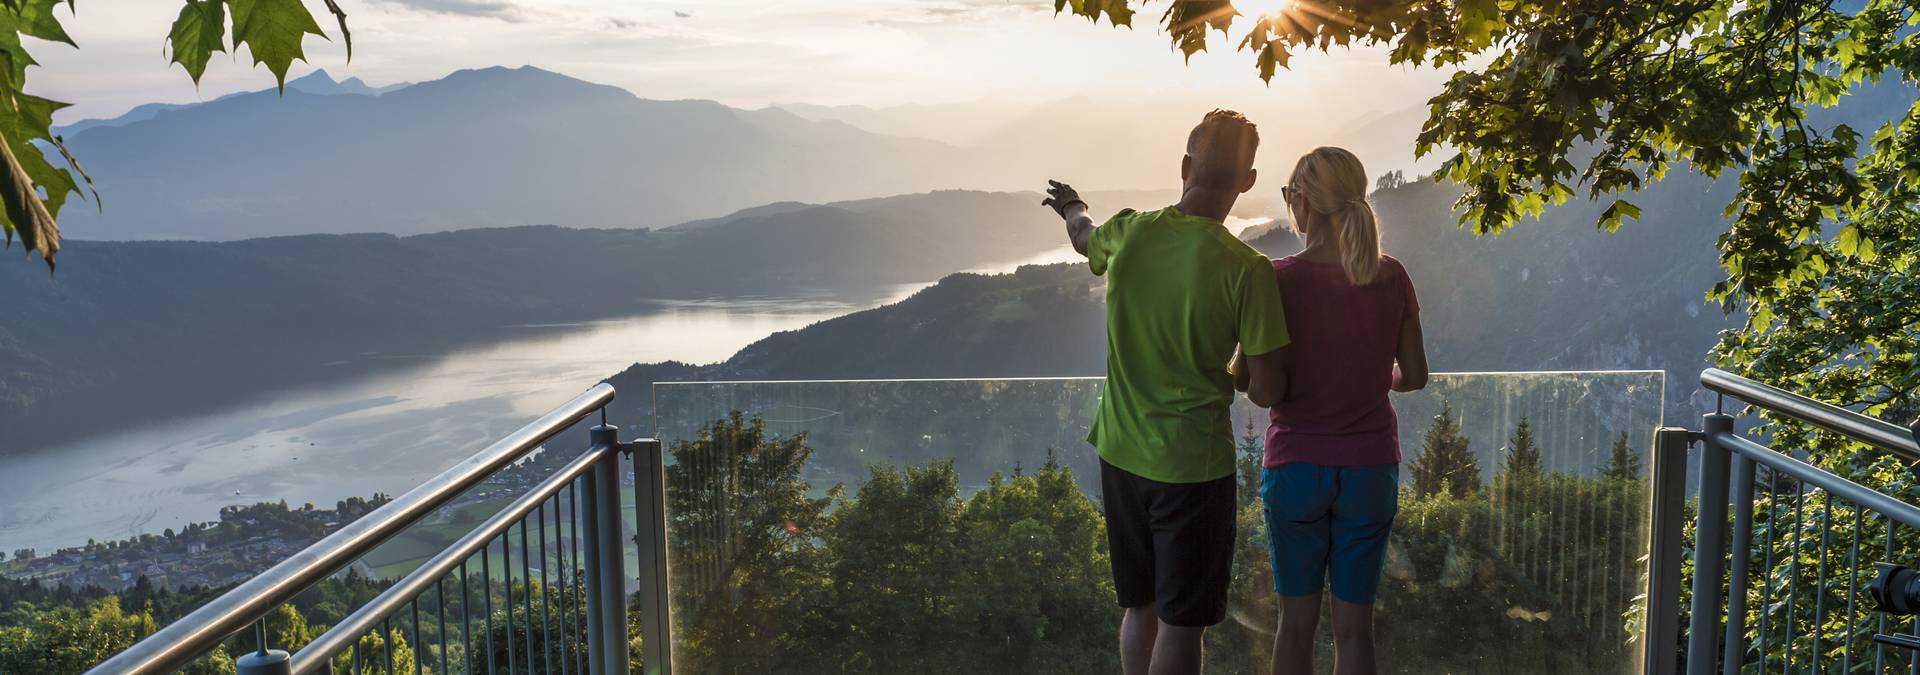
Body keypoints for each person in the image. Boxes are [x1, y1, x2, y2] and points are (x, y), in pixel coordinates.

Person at [1042, 109, 1292, 675]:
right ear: (1247, 182)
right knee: (1183, 623)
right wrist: (1239, 356)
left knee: (1141, 607)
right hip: (1192, 468)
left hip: (1120, 453)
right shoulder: (1248, 271)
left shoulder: (1129, 231)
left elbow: (1084, 239)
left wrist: (1073, 205)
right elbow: (1269, 390)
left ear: (1184, 166)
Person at [1237, 146, 1428, 675]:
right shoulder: (1392, 276)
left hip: (1296, 465)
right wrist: (1376, 379)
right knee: (1354, 632)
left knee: (1294, 627)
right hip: (1369, 468)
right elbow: (1414, 377)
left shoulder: (1277, 279)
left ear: (1302, 202)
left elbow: (1254, 381)